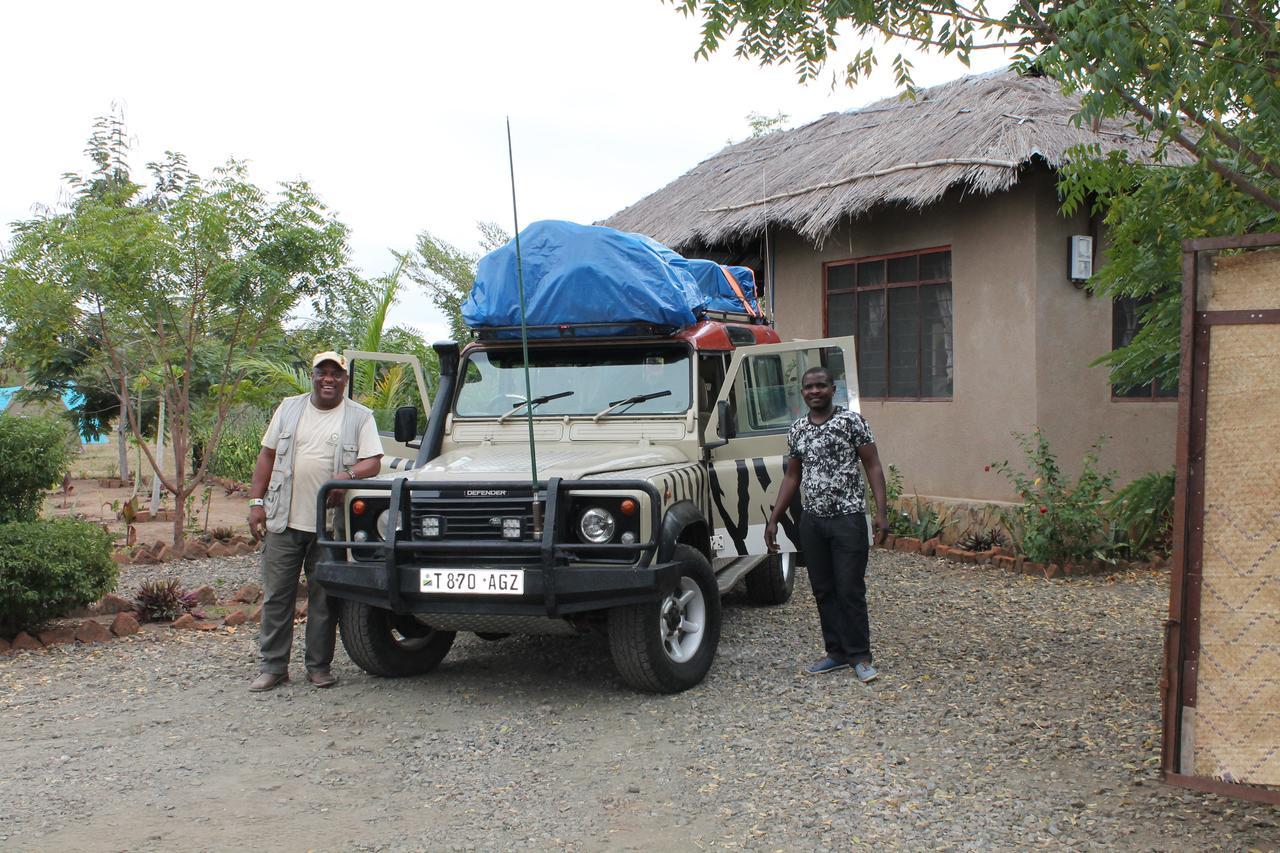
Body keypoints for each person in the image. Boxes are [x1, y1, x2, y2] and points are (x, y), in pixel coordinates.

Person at [246, 351, 383, 692]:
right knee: (278, 596)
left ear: (345, 380)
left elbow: (373, 462)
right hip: (283, 519)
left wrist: (346, 475)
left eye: (336, 374)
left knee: (324, 598)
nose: (328, 379)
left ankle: (318, 667)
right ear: (313, 375)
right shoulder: (290, 408)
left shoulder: (359, 416)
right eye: (322, 372)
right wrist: (256, 502)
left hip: (330, 527)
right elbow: (267, 455)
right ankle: (274, 667)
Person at [764, 366, 888, 683]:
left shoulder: (851, 422)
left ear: (833, 389)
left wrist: (881, 512)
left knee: (850, 588)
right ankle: (835, 652)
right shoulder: (798, 430)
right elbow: (792, 476)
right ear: (802, 392)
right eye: (809, 387)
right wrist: (774, 518)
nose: (815, 391)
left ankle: (860, 656)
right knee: (823, 590)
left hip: (848, 519)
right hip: (813, 522)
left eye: (821, 386)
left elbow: (872, 465)